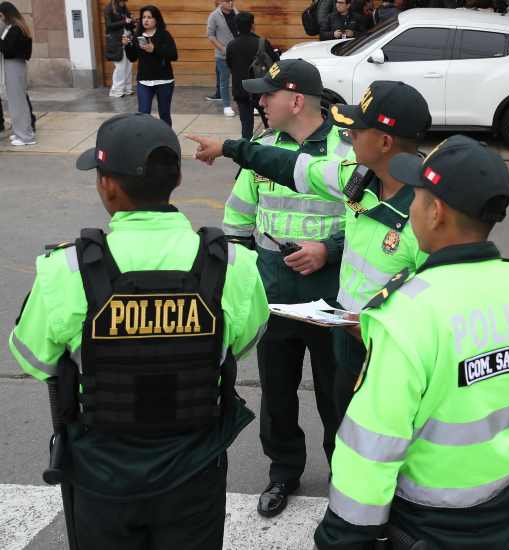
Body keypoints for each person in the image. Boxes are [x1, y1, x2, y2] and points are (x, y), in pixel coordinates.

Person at [8, 112, 270, 550]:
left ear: (107, 184)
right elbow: (242, 341)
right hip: (195, 471)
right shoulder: (232, 265)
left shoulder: (66, 269)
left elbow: (34, 358)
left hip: (101, 476)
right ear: (179, 177)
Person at [313, 135, 509, 549]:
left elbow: (372, 446)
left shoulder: (408, 313)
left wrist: (341, 539)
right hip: (507, 504)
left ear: (435, 212)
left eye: (416, 196)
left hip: (427, 519)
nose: (411, 206)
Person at [186, 80, 430, 428]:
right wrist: (229, 148)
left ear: (385, 142)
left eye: (357, 130)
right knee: (346, 434)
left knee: (385, 441)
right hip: (348, 339)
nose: (350, 136)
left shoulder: (427, 215)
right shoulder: (357, 177)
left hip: (389, 354)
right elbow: (292, 167)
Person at [218, 59, 349, 518]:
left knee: (340, 394)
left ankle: (346, 477)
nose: (259, 101)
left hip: (333, 298)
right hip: (274, 295)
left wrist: (328, 250)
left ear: (295, 100)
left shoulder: (345, 151)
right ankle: (284, 472)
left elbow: (374, 228)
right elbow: (236, 224)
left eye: (267, 95)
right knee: (277, 393)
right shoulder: (260, 149)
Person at [123, 5, 178, 127]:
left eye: (149, 17)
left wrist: (154, 49)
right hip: (144, 81)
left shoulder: (164, 35)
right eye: (143, 17)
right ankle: (145, 141)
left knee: (164, 114)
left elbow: (174, 55)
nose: (146, 20)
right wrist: (127, 46)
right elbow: (133, 58)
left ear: (156, 19)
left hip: (164, 81)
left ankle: (166, 140)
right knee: (143, 114)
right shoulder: (138, 36)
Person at [225, 11, 278, 138]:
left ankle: (245, 152)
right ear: (252, 25)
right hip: (261, 90)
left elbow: (230, 65)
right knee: (269, 125)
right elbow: (276, 63)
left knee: (246, 126)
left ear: (236, 27)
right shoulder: (262, 43)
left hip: (241, 90)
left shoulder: (231, 45)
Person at [0, 1, 35, 146]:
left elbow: (8, 49)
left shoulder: (15, 29)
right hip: (14, 65)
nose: (0, 18)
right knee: (18, 101)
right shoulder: (17, 27)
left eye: (1, 15)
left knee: (17, 102)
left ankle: (25, 137)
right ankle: (21, 131)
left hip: (14, 65)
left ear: (7, 14)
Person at [208, 0, 239, 117]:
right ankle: (226, 105)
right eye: (227, 1)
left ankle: (247, 104)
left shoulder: (236, 12)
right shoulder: (214, 16)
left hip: (238, 53)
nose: (230, 3)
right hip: (223, 55)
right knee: (224, 80)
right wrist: (222, 48)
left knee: (241, 79)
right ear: (220, 2)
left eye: (232, 1)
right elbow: (210, 35)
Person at [104, 0, 134, 98]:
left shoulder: (124, 8)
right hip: (116, 41)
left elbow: (129, 25)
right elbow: (109, 25)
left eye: (124, 2)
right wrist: (124, 21)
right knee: (120, 66)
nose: (123, 3)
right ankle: (116, 90)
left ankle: (127, 88)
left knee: (129, 65)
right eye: (122, 1)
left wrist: (132, 22)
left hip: (127, 39)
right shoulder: (108, 8)